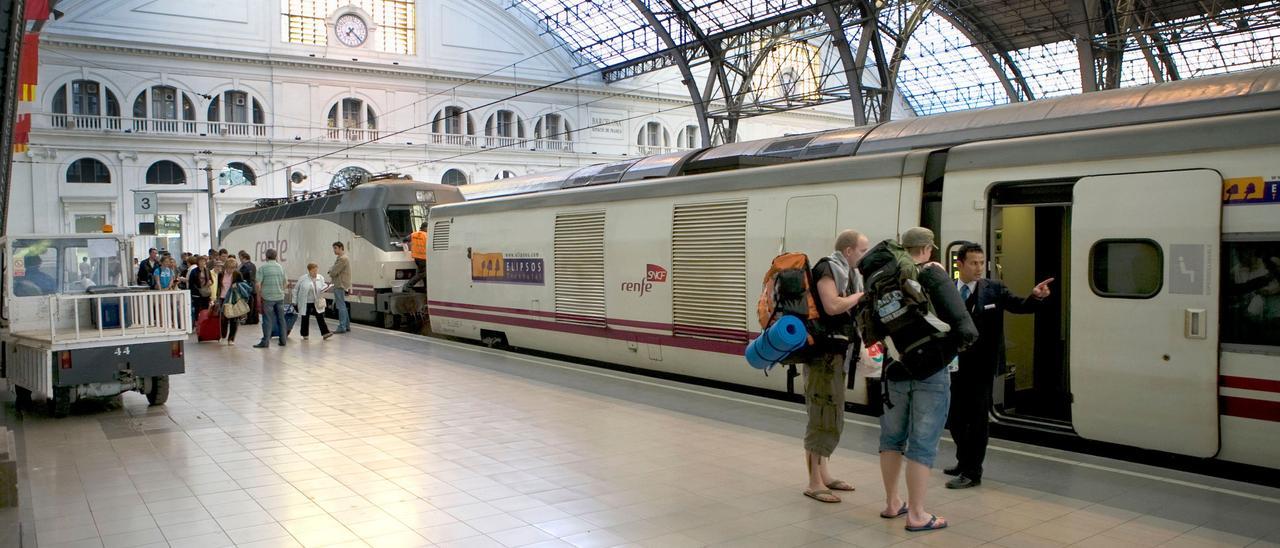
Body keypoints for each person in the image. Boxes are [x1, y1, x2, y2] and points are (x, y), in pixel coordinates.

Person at [874, 227, 977, 532]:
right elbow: (967, 330)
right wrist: (947, 351)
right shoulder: (933, 274)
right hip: (931, 373)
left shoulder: (884, 278)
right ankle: (917, 514)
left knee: (891, 439)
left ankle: (893, 503)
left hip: (894, 369)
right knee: (922, 444)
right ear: (929, 248)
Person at [945, 242, 1051, 489]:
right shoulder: (947, 289)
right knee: (955, 417)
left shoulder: (994, 289)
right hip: (953, 365)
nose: (979, 268)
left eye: (982, 263)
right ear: (959, 264)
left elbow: (1019, 306)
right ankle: (962, 461)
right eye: (973, 263)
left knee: (978, 419)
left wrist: (1035, 297)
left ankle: (973, 472)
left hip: (982, 366)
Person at [800, 229, 869, 504]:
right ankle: (813, 482)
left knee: (832, 414)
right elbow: (831, 305)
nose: (865, 255)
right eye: (863, 250)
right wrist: (860, 296)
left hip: (836, 355)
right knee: (820, 415)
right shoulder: (828, 268)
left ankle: (825, 475)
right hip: (822, 356)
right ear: (849, 250)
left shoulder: (848, 272)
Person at [254, 248, 288, 348]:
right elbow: (285, 283)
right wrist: (280, 290)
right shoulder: (281, 268)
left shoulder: (263, 268)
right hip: (280, 297)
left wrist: (258, 296)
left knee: (267, 320)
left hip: (268, 298)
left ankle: (265, 342)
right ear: (276, 256)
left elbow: (258, 284)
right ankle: (283, 340)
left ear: (266, 257)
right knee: (281, 319)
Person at [294, 263, 333, 341]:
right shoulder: (303, 278)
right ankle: (305, 334)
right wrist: (294, 301)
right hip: (306, 301)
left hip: (316, 301)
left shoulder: (320, 277)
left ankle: (325, 333)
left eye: (316, 270)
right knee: (305, 317)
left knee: (320, 316)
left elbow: (323, 285)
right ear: (309, 271)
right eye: (313, 271)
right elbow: (295, 290)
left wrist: (326, 287)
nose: (315, 272)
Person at [214, 257, 244, 345]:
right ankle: (223, 336)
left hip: (233, 299)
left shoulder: (237, 274)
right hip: (223, 298)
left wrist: (237, 285)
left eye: (234, 267)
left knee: (234, 320)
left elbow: (242, 285)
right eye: (230, 267)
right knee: (223, 319)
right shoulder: (221, 274)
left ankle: (231, 339)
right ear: (226, 267)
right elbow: (219, 287)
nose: (231, 270)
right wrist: (217, 298)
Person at [328, 241, 352, 333]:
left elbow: (334, 271)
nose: (334, 250)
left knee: (340, 305)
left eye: (335, 248)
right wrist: (332, 270)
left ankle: (342, 327)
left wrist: (330, 270)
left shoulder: (342, 259)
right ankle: (346, 325)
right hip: (341, 283)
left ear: (341, 248)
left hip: (340, 283)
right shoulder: (341, 258)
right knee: (343, 305)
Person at [402, 222, 428, 293]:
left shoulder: (413, 234)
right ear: (425, 228)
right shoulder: (427, 235)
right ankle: (408, 286)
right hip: (423, 257)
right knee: (423, 273)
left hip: (416, 257)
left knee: (424, 273)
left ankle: (426, 289)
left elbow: (404, 240)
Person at [188, 256, 212, 326]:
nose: (202, 263)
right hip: (197, 293)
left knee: (205, 308)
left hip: (205, 292)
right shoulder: (194, 271)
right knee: (197, 308)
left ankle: (204, 321)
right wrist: (196, 290)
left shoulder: (207, 270)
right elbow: (191, 283)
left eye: (204, 261)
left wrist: (210, 282)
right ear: (198, 262)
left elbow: (211, 280)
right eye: (201, 261)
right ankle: (197, 322)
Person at [238, 250, 259, 325]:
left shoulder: (244, 267)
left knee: (249, 304)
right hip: (253, 286)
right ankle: (255, 319)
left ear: (244, 258)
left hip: (246, 287)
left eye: (240, 258)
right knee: (254, 304)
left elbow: (241, 277)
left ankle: (249, 320)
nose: (240, 260)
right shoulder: (253, 265)